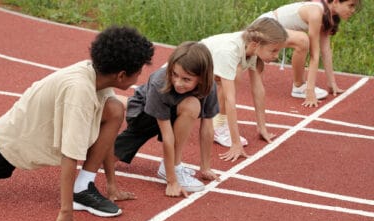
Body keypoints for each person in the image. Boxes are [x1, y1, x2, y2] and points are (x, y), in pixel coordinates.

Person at [0, 25, 154, 221]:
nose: (138, 78)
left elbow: (109, 133)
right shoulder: (80, 92)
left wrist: (112, 186)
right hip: (13, 141)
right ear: (121, 75)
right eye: (137, 73)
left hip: (38, 133)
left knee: (115, 109)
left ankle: (83, 187)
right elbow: (70, 155)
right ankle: (76, 195)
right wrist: (66, 212)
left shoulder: (98, 76)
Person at [113, 41, 220, 198]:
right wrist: (172, 180)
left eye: (186, 79)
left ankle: (174, 165)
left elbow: (207, 128)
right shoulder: (160, 83)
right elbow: (167, 136)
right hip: (144, 113)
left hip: (173, 109)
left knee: (192, 104)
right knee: (102, 159)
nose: (178, 82)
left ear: (202, 79)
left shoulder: (209, 86)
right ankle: (109, 103)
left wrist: (205, 167)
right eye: (174, 74)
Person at [200, 18, 288, 162]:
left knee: (233, 74)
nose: (277, 56)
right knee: (233, 75)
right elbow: (230, 98)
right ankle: (218, 127)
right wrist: (236, 143)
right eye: (273, 50)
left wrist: (262, 127)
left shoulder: (251, 48)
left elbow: (258, 89)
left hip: (204, 77)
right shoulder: (230, 51)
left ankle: (217, 124)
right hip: (189, 76)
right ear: (256, 45)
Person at [258, 0, 362, 107]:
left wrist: (332, 83)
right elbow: (314, 55)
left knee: (302, 40)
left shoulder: (327, 16)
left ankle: (300, 86)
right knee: (303, 40)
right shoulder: (316, 13)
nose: (353, 10)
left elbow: (325, 51)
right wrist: (310, 91)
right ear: (335, 2)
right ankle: (299, 87)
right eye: (351, 5)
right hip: (263, 26)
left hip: (273, 31)